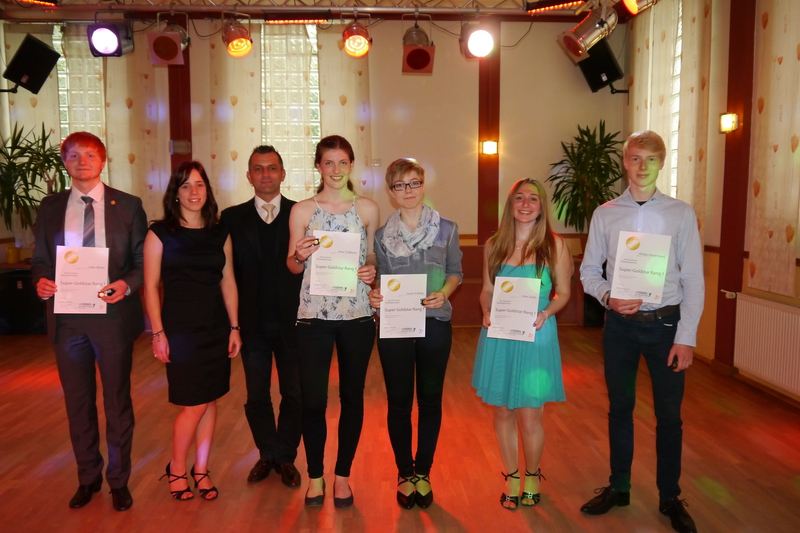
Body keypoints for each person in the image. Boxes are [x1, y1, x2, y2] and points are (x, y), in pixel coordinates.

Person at [579, 130, 704, 533]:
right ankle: (619, 487)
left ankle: (669, 496)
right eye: (635, 158)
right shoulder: (606, 214)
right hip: (620, 328)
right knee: (620, 409)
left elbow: (694, 279)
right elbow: (588, 271)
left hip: (666, 327)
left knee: (669, 417)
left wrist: (686, 337)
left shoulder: (680, 214)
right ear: (625, 162)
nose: (642, 166)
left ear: (661, 163)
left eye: (651, 158)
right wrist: (608, 296)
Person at [32, 131, 146, 512]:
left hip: (111, 317)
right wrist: (41, 282)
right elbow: (40, 260)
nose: (83, 162)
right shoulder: (50, 207)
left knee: (116, 401)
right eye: (74, 155)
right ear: (64, 162)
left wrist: (125, 285)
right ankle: (88, 476)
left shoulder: (128, 205)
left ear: (103, 160)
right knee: (77, 402)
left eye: (90, 155)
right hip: (67, 319)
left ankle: (119, 480)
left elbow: (141, 261)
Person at [286, 135, 379, 508]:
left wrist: (371, 270)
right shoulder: (302, 211)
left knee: (352, 398)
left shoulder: (368, 209)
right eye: (329, 162)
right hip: (313, 318)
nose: (336, 169)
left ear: (351, 165)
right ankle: (315, 477)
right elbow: (293, 267)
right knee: (312, 401)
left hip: (357, 316)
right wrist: (299, 254)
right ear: (318, 166)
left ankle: (342, 476)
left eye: (343, 162)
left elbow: (372, 257)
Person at [143, 161, 242, 501]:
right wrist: (158, 333)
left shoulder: (219, 232)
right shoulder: (160, 233)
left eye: (199, 184)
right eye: (185, 186)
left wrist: (234, 327)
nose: (194, 191)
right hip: (180, 330)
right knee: (194, 404)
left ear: (207, 191)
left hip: (215, 326)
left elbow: (228, 282)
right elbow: (150, 286)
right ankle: (176, 467)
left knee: (209, 399)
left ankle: (201, 469)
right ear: (176, 193)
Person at [472, 178, 573, 511]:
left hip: (536, 335)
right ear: (510, 204)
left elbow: (564, 293)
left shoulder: (555, 246)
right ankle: (512, 477)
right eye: (519, 198)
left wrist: (547, 312)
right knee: (503, 411)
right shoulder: (494, 245)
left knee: (530, 416)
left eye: (533, 198)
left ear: (541, 206)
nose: (525, 204)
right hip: (500, 335)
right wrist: (486, 309)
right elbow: (487, 289)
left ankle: (532, 475)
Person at [369, 158, 463, 510]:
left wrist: (446, 292)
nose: (407, 190)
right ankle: (404, 473)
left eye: (413, 183)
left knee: (430, 401)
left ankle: (423, 472)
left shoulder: (447, 229)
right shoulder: (381, 236)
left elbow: (455, 272)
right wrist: (375, 294)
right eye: (399, 185)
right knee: (398, 403)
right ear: (391, 192)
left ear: (423, 185)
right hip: (394, 325)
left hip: (434, 322)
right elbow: (379, 280)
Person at [220, 146, 303, 488]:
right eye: (258, 168)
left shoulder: (302, 213)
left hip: (295, 322)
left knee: (295, 394)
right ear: (249, 176)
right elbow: (224, 273)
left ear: (283, 174)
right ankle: (267, 453)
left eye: (272, 168)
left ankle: (286, 456)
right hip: (251, 324)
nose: (265, 174)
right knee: (256, 396)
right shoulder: (231, 218)